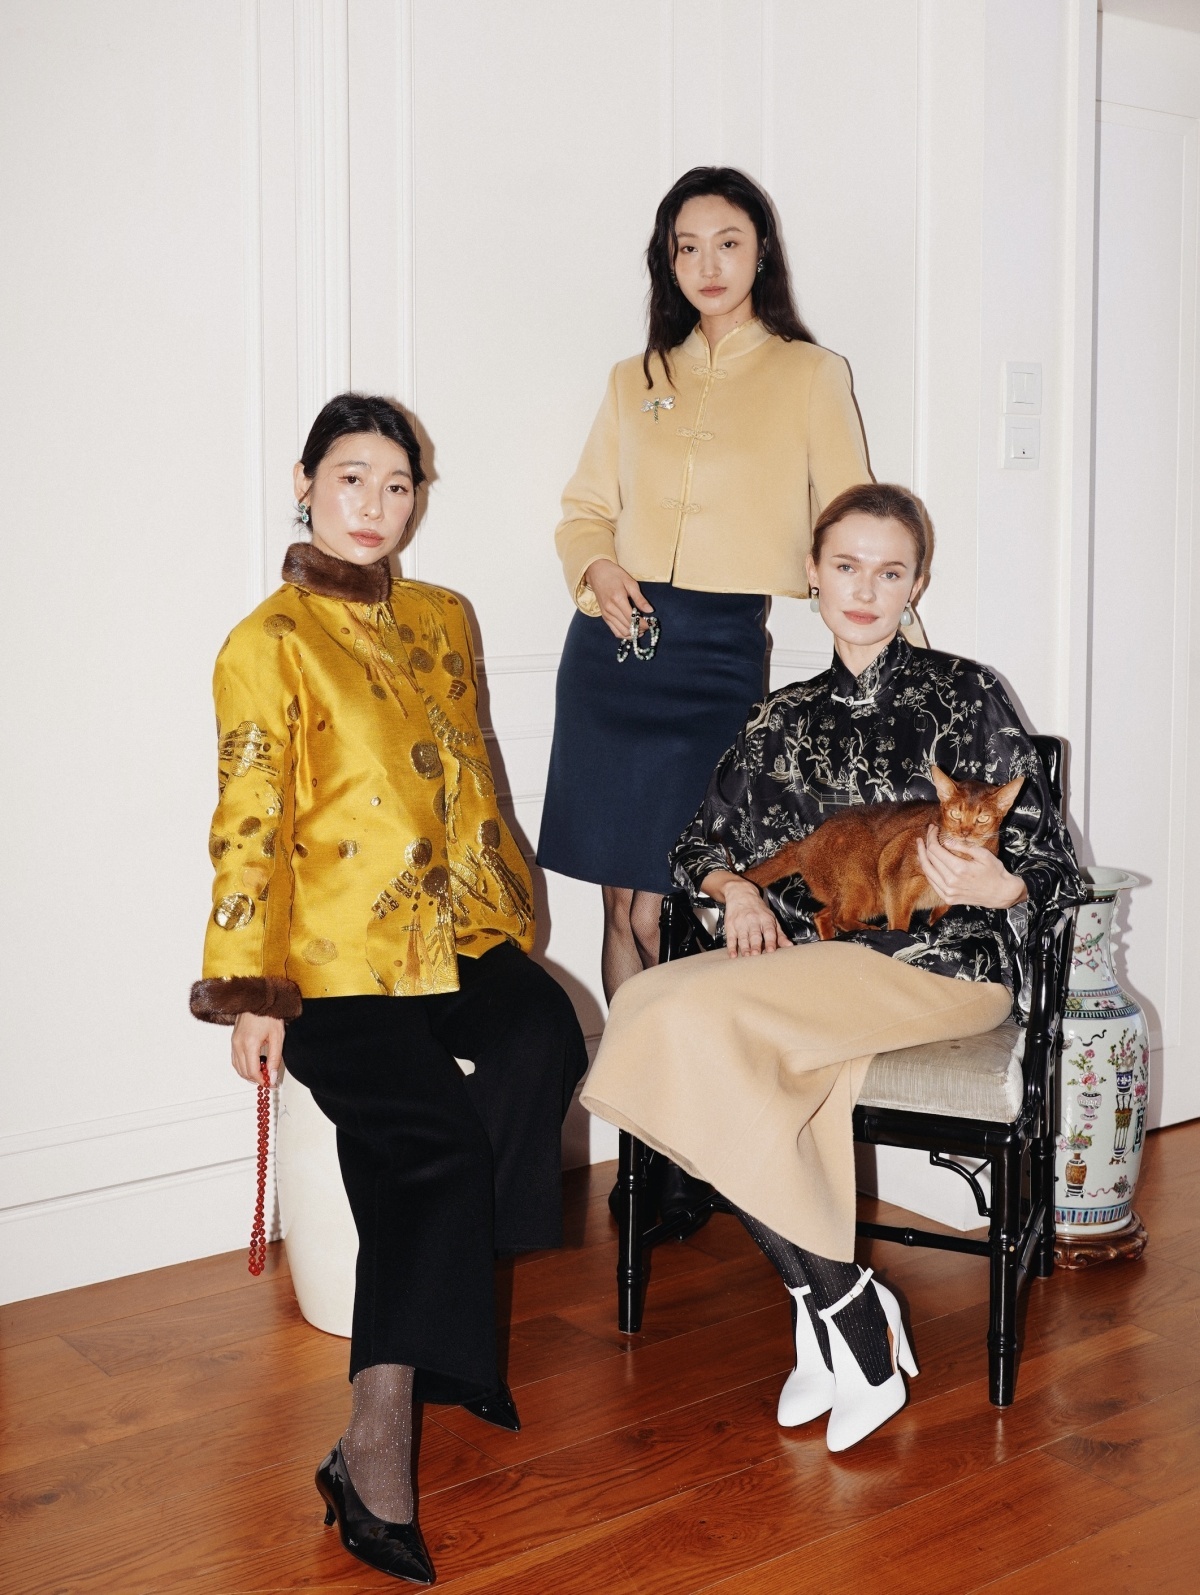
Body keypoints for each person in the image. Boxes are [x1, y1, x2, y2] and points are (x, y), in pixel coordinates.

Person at [580, 482, 1082, 1452]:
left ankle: (842, 1317)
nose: (865, 589)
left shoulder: (965, 694)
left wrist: (1001, 884)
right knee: (646, 1006)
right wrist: (735, 889)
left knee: (687, 1023)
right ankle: (838, 1301)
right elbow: (697, 847)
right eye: (846, 566)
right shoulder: (780, 717)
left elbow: (1056, 870)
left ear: (917, 583)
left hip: (941, 968)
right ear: (812, 573)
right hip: (814, 971)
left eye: (890, 572)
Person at [190, 393, 588, 1584]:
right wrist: (250, 990)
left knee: (545, 1031)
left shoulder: (442, 615)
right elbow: (249, 820)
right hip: (327, 966)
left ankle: (452, 1331)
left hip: (449, 935)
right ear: (305, 483)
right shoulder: (265, 642)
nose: (374, 504)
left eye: (398, 483)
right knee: (433, 1147)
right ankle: (369, 1448)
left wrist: (505, 923)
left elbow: (470, 776)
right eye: (351, 477)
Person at [537, 167, 917, 1219]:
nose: (707, 265)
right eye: (686, 246)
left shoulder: (811, 373)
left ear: (762, 253)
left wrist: (897, 663)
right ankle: (649, 1149)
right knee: (623, 902)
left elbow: (853, 520)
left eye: (728, 242)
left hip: (715, 658)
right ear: (667, 261)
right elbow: (583, 508)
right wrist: (596, 567)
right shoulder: (635, 377)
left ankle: (698, 1139)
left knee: (689, 898)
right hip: (611, 652)